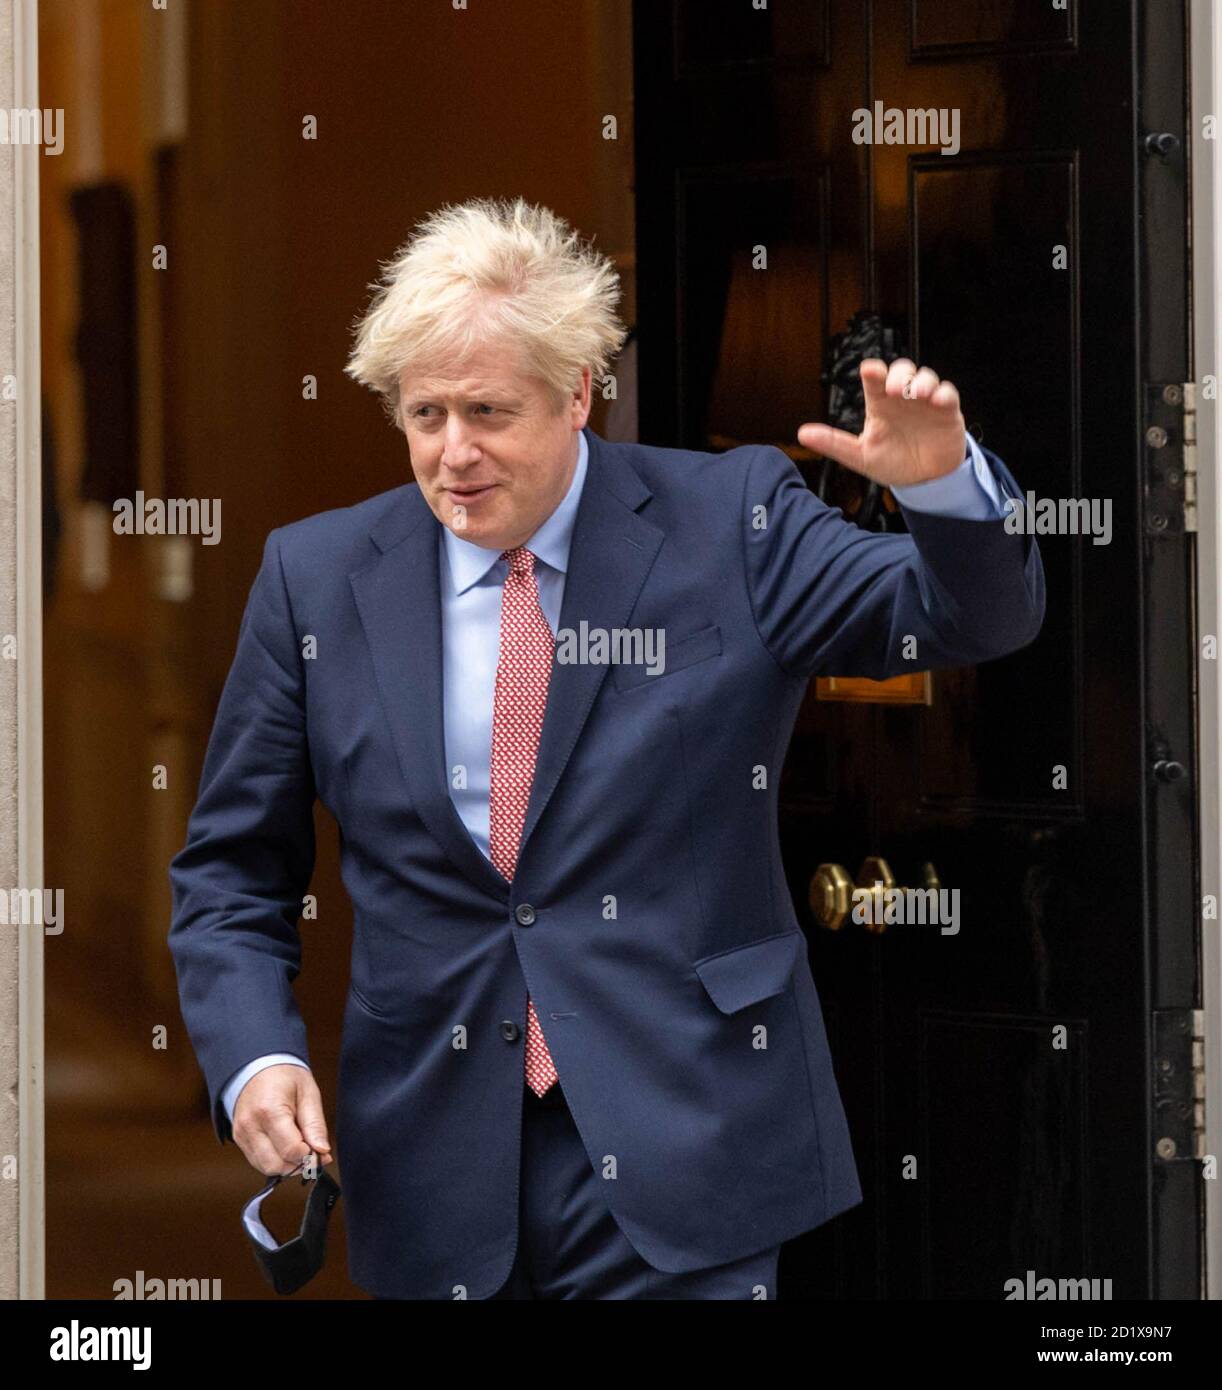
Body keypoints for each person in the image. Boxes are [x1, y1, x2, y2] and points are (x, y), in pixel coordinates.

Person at [168, 196, 1044, 1300]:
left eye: (488, 411)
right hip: (434, 1157)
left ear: (579, 390)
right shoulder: (315, 575)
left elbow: (968, 619)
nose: (452, 454)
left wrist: (942, 496)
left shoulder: (732, 518)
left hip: (690, 1135)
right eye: (423, 413)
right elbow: (229, 872)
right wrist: (257, 1053)